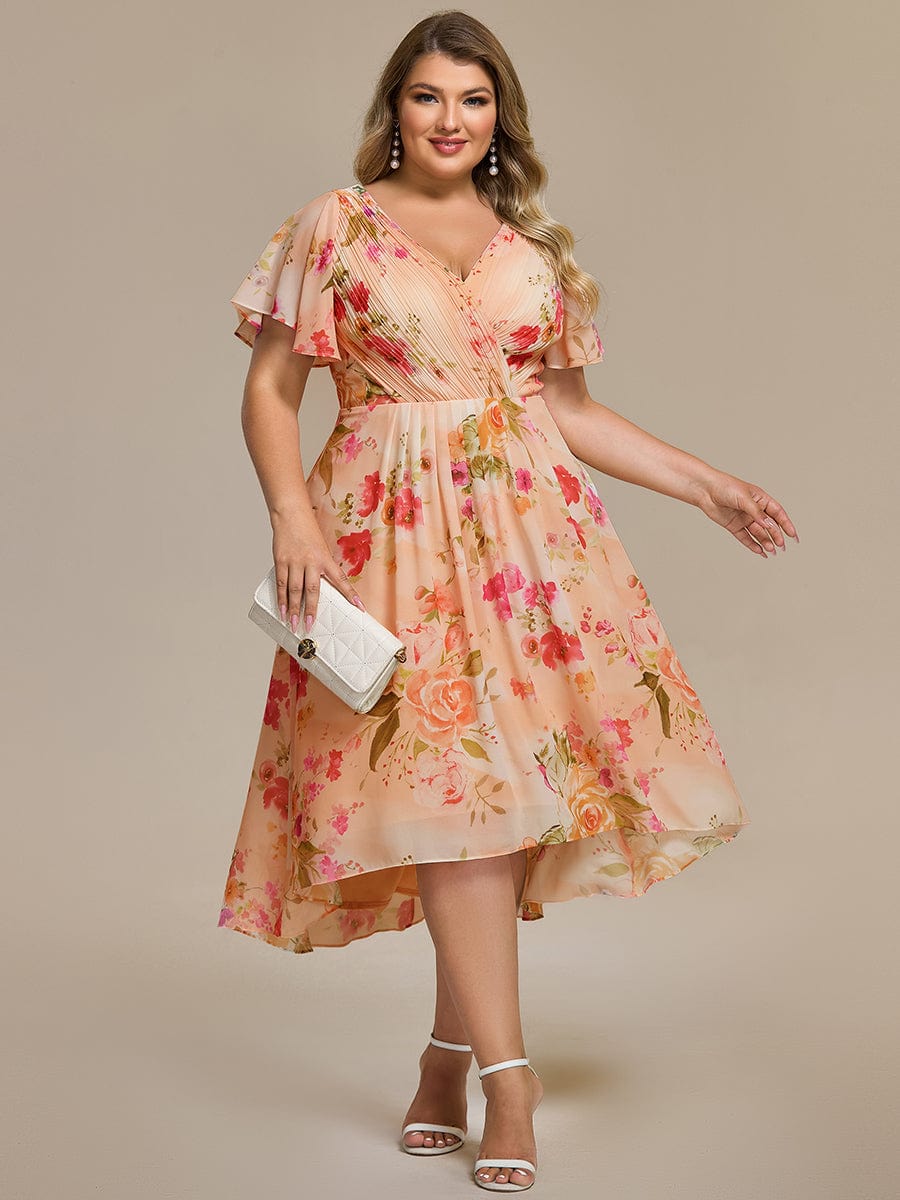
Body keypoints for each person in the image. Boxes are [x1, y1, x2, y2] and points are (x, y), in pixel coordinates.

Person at [217, 10, 799, 1192]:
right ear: (396, 109)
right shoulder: (337, 225)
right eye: (429, 97)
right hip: (387, 536)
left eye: (474, 100)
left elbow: (567, 411)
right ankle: (509, 1079)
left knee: (490, 813)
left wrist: (709, 487)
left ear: (501, 118)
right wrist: (291, 515)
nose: (451, 120)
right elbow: (272, 388)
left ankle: (446, 1059)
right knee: (449, 801)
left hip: (530, 548)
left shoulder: (531, 245)